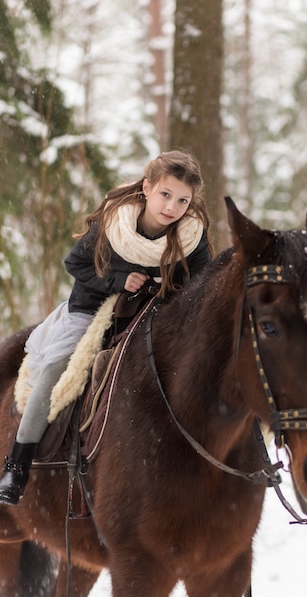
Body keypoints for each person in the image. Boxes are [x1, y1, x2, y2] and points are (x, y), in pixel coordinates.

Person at [0, 150, 213, 505]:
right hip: (93, 309)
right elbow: (75, 263)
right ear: (147, 188)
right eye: (165, 194)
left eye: (182, 200)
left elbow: (203, 284)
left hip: (152, 315)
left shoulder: (191, 237)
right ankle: (17, 464)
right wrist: (117, 280)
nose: (172, 207)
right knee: (56, 371)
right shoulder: (115, 223)